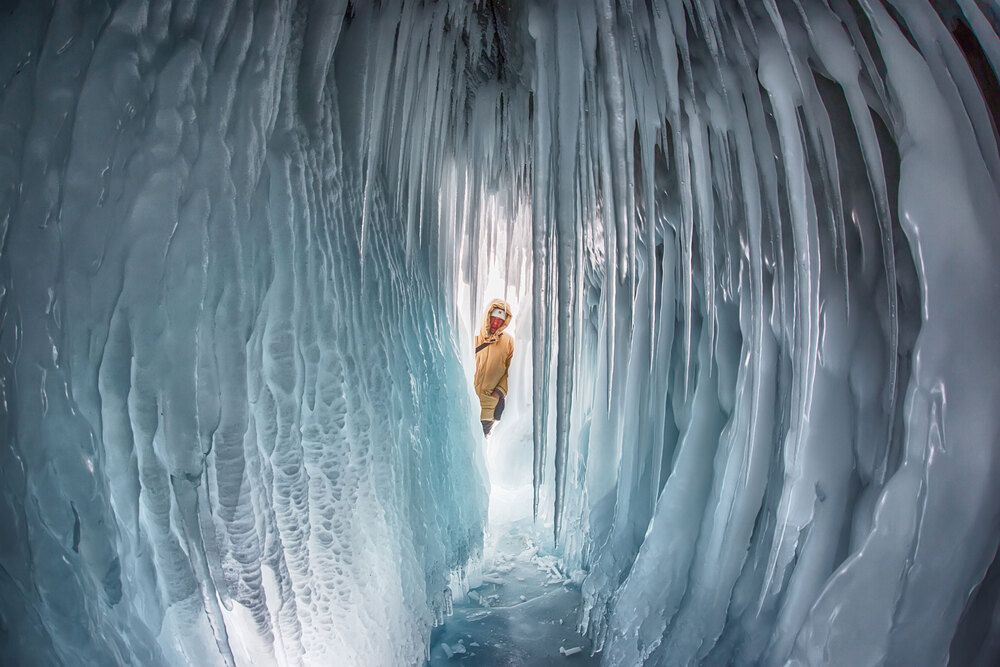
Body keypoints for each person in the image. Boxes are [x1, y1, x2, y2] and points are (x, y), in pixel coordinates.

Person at [474, 299, 514, 436]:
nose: (496, 323)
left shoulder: (508, 342)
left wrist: (499, 392)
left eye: (500, 321)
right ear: (488, 317)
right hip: (466, 402)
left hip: (488, 408)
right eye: (494, 318)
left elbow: (511, 371)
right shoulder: (475, 338)